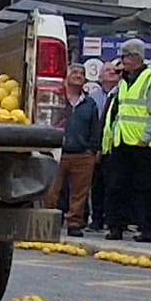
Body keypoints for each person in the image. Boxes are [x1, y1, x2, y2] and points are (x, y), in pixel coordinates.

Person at [98, 46, 151, 240]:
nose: (123, 61)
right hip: (122, 142)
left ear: (135, 58)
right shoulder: (124, 82)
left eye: (125, 57)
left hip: (143, 144)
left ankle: (150, 229)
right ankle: (116, 226)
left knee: (147, 188)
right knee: (117, 186)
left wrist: (146, 137)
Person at [54, 65, 104, 231]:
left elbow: (95, 127)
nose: (78, 76)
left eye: (82, 74)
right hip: (58, 151)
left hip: (83, 154)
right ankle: (51, 221)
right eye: (74, 72)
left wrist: (93, 149)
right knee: (52, 191)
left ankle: (74, 224)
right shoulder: (56, 98)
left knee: (80, 193)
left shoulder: (89, 103)